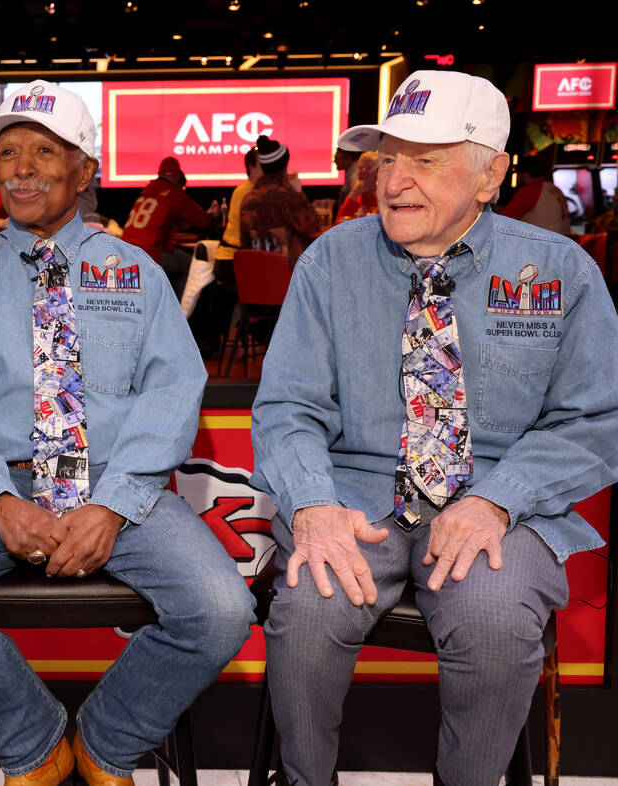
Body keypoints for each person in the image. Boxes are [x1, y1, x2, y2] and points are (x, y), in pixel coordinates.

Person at [0, 79, 255, 786]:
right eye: (8, 151)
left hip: (120, 488)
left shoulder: (136, 272)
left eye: (45, 149)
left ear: (85, 171)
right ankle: (34, 739)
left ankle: (105, 742)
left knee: (222, 609)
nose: (22, 166)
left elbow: (172, 390)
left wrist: (114, 502)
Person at [250, 70, 618, 786]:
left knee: (493, 613)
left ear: (490, 176)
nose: (395, 179)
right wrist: (311, 505)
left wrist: (500, 497)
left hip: (499, 500)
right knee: (308, 610)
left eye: (426, 158)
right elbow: (288, 406)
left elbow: (596, 419)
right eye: (388, 157)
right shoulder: (330, 261)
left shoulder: (561, 273)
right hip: (355, 495)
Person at [180, 148, 261, 319]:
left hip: (238, 260)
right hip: (233, 262)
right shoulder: (249, 192)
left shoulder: (255, 191)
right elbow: (251, 237)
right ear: (252, 166)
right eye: (264, 163)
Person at [121, 156, 213, 292]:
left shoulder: (148, 189)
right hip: (150, 254)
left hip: (126, 252)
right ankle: (181, 310)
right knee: (193, 266)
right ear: (177, 177)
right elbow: (204, 221)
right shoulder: (174, 194)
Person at [239, 135, 322, 265]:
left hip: (257, 273)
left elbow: (245, 243)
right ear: (284, 166)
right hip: (289, 276)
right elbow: (313, 227)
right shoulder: (287, 197)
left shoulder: (248, 200)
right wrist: (299, 193)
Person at [499, 153, 571, 236]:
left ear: (525, 174)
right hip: (561, 243)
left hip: (542, 244)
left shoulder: (530, 190)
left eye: (518, 174)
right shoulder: (555, 189)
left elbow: (503, 220)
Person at [333, 150, 379, 223]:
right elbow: (339, 223)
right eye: (360, 168)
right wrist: (354, 193)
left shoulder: (384, 199)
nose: (363, 171)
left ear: (379, 172)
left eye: (369, 168)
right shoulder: (358, 195)